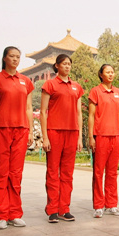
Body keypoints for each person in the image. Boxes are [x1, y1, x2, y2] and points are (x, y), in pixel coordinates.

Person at [0, 46, 34, 230]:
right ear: (4, 58)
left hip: (21, 129)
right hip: (1, 128)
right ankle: (2, 214)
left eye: (18, 57)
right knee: (1, 172)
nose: (15, 59)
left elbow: (28, 108)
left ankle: (15, 213)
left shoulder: (25, 81)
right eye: (12, 56)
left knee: (16, 173)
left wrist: (30, 131)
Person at [40, 54, 84, 223]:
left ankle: (64, 209)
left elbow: (79, 113)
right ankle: (52, 209)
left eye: (69, 64)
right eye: (64, 64)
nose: (67, 66)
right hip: (54, 132)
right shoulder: (50, 85)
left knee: (67, 173)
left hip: (72, 132)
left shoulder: (76, 87)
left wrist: (79, 137)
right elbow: (43, 112)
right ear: (57, 66)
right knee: (53, 172)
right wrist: (45, 137)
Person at [88, 64, 119, 218]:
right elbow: (91, 115)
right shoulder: (95, 91)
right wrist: (91, 137)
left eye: (112, 72)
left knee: (112, 172)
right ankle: (98, 206)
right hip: (100, 135)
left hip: (115, 136)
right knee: (98, 172)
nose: (110, 74)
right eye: (107, 72)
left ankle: (111, 204)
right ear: (101, 74)